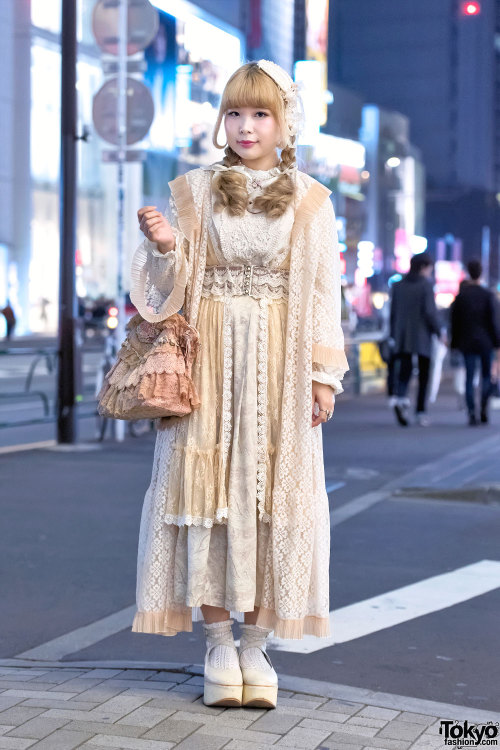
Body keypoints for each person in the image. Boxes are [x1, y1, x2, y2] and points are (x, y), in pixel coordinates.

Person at [129, 60, 349, 709]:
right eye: (235, 112)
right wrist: (167, 247)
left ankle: (256, 647)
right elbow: (168, 294)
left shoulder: (311, 197)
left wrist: (322, 374)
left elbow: (319, 291)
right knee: (207, 497)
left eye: (260, 113)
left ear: (286, 123)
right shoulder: (195, 190)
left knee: (270, 502)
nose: (245, 125)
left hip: (280, 368)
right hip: (209, 363)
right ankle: (218, 643)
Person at [390, 253, 442, 426]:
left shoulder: (398, 285)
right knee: (424, 375)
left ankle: (401, 400)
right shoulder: (426, 286)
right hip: (422, 337)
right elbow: (429, 312)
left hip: (402, 336)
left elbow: (393, 313)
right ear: (423, 267)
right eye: (429, 268)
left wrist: (393, 335)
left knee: (404, 371)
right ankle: (420, 411)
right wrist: (439, 332)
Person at [450, 259, 500, 425]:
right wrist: (497, 342)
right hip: (486, 341)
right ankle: (484, 407)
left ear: (468, 272)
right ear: (481, 273)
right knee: (487, 376)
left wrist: (454, 343)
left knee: (469, 377)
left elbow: (455, 322)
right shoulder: (488, 295)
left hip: (467, 341)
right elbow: (494, 321)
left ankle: (471, 412)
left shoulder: (461, 296)